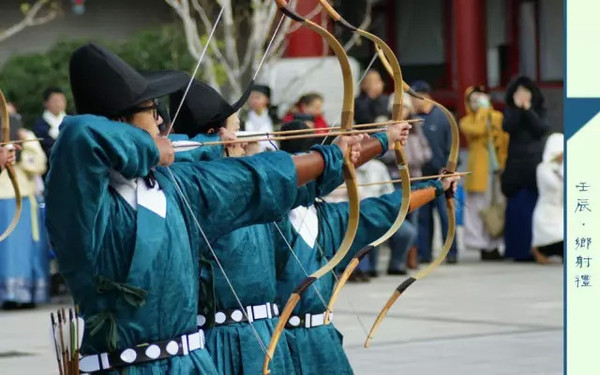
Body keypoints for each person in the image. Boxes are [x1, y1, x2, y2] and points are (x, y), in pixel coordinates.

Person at [45, 43, 364, 375]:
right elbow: (79, 136)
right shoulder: (80, 201)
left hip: (193, 365)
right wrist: (149, 149)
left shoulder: (173, 184)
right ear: (119, 120)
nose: (159, 119)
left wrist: (333, 158)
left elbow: (254, 179)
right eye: (151, 109)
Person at [169, 81, 411, 374]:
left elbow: (303, 179)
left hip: (266, 337)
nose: (239, 138)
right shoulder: (194, 184)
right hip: (220, 340)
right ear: (214, 135)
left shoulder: (242, 182)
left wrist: (383, 139)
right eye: (233, 128)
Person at [275, 125, 459, 375]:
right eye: (301, 168)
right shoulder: (263, 222)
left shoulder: (331, 217)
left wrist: (437, 187)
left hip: (323, 341)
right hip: (277, 343)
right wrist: (384, 139)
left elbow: (385, 209)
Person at [0, 114, 48, 310]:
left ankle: (28, 294)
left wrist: (24, 147)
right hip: (3, 199)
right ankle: (8, 294)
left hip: (24, 198)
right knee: (8, 251)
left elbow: (39, 165)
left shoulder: (26, 135)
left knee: (28, 248)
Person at [501, 76, 550, 261]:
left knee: (533, 208)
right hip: (515, 165)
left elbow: (541, 129)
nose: (521, 96)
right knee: (515, 210)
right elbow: (507, 127)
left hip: (533, 165)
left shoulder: (538, 110)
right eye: (518, 92)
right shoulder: (510, 111)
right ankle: (516, 250)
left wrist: (528, 109)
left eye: (525, 92)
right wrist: (517, 110)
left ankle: (535, 249)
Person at [410, 80, 458, 264]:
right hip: (421, 175)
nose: (413, 103)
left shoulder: (443, 117)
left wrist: (449, 170)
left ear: (425, 96)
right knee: (423, 217)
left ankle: (451, 252)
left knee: (445, 214)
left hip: (441, 174)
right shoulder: (413, 119)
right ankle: (424, 253)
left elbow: (452, 146)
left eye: (415, 98)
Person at [459, 86, 509, 261]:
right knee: (478, 208)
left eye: (480, 99)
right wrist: (483, 111)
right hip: (478, 171)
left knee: (495, 207)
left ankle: (494, 244)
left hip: (496, 170)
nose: (477, 103)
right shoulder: (466, 121)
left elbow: (503, 138)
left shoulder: (497, 117)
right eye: (473, 101)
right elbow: (479, 130)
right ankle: (481, 245)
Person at [382, 92, 431, 270]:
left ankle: (411, 257)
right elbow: (381, 151)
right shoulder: (385, 127)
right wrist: (398, 157)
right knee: (397, 220)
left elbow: (426, 151)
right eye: (398, 108)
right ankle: (396, 259)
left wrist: (415, 157)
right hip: (395, 179)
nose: (403, 111)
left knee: (415, 218)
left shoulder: (416, 127)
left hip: (414, 178)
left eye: (406, 108)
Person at [531, 133, 563, 263]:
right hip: (546, 212)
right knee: (551, 237)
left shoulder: (563, 168)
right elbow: (554, 185)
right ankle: (538, 251)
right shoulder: (543, 168)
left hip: (560, 211)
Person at [33, 87, 67, 162]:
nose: (59, 103)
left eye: (62, 100)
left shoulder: (71, 120)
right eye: (55, 100)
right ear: (46, 103)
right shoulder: (40, 125)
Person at [244, 84, 277, 152]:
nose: (254, 101)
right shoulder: (244, 119)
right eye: (251, 98)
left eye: (257, 97)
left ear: (266, 99)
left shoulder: (274, 118)